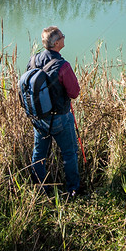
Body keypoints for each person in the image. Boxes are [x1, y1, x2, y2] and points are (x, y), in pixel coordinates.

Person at [27, 26, 81, 196]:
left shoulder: (33, 60)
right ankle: (73, 189)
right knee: (69, 153)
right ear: (57, 43)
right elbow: (74, 93)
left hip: (39, 118)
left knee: (39, 154)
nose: (65, 37)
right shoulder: (63, 65)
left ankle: (40, 188)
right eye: (62, 36)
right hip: (60, 118)